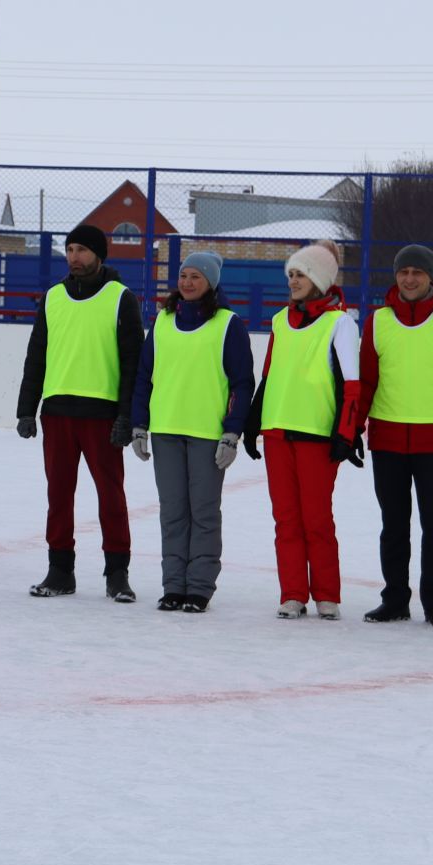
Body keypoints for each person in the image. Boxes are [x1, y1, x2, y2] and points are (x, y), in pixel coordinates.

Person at [16, 224, 144, 602]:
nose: (74, 257)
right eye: (70, 249)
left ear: (99, 255)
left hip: (102, 414)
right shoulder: (53, 297)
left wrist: (127, 415)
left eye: (82, 250)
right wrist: (27, 408)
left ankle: (117, 573)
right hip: (57, 412)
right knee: (59, 495)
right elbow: (36, 355)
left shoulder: (121, 298)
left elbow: (133, 362)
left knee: (111, 495)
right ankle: (60, 570)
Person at [358, 244, 433, 628]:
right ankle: (394, 599)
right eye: (403, 271)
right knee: (393, 524)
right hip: (387, 438)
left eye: (418, 272)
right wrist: (350, 430)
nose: (410, 279)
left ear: (431, 277)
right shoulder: (378, 321)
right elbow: (367, 382)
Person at [243, 243, 362, 620]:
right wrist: (253, 422)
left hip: (317, 436)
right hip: (278, 432)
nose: (293, 281)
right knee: (286, 519)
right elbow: (270, 375)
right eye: (291, 274)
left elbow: (352, 386)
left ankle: (327, 594)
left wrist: (346, 433)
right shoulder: (280, 321)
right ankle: (293, 593)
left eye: (301, 274)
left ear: (320, 280)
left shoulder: (339, 323)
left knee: (316, 519)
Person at [130, 251, 252, 613]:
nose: (187, 283)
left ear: (211, 283)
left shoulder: (229, 325)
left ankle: (198, 587)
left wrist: (232, 433)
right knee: (172, 511)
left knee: (203, 511)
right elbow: (144, 377)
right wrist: (140, 424)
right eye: (183, 276)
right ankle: (173, 586)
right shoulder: (163, 322)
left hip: (206, 434)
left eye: (196, 277)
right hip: (166, 429)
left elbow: (242, 383)